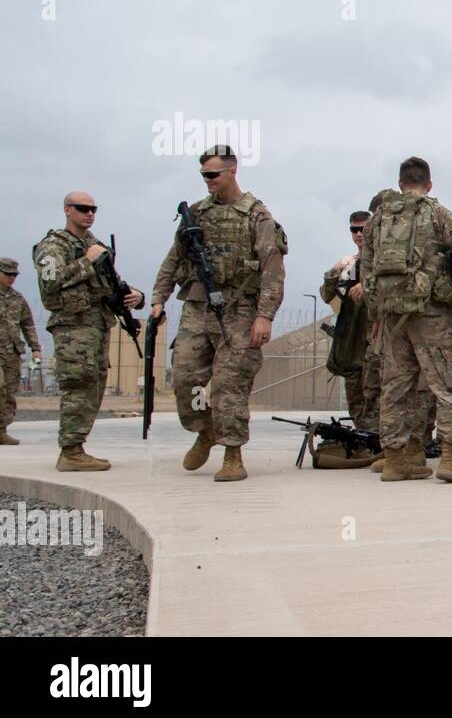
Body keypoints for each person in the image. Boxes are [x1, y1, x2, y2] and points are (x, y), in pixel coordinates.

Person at [151, 145, 286, 482]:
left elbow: (272, 269)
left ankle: (232, 453)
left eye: (212, 175)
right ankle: (205, 429)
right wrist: (158, 298)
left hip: (239, 310)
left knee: (230, 384)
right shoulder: (195, 214)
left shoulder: (257, 215)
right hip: (198, 307)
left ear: (232, 172)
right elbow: (173, 259)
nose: (207, 181)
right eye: (203, 176)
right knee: (185, 378)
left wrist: (264, 315)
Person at [362, 157, 452, 483]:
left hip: (393, 318)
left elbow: (367, 270)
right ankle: (449, 460)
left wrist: (375, 314)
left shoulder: (377, 220)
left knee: (394, 389)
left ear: (400, 182)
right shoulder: (439, 214)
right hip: (434, 315)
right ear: (429, 184)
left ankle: (394, 461)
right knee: (449, 385)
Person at [34, 192, 144, 471]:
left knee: (94, 386)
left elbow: (112, 284)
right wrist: (87, 261)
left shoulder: (95, 245)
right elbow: (50, 285)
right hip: (73, 327)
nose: (90, 213)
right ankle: (69, 451)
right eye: (83, 208)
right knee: (78, 385)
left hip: (96, 325)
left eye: (93, 209)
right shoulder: (53, 246)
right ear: (67, 210)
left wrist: (135, 296)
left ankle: (77, 447)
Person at [320, 210, 376, 430]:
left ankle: (377, 439)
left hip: (374, 337)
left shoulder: (381, 262)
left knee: (374, 394)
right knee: (355, 395)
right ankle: (364, 436)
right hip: (351, 338)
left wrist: (368, 284)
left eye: (363, 229)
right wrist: (335, 270)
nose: (359, 234)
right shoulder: (349, 265)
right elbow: (327, 295)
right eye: (354, 229)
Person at [0, 258, 42, 445]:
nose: (11, 278)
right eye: (7, 274)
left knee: (8, 392)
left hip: (11, 352)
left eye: (14, 275)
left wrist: (36, 348)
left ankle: (1, 430)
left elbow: (28, 324)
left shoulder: (18, 299)